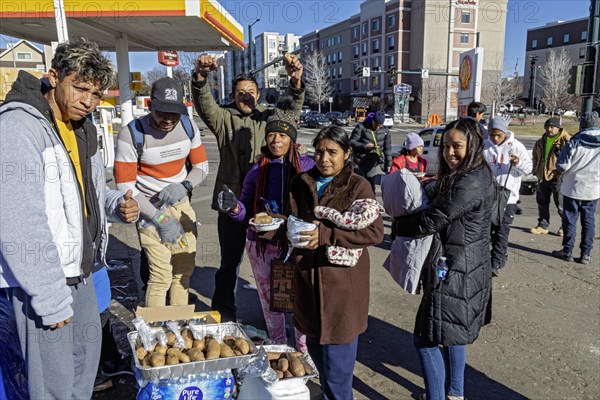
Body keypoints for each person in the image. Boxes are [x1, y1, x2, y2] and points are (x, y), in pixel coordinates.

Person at [0, 38, 139, 400]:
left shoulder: (81, 127)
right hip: (44, 281)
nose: (88, 101)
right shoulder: (19, 128)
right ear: (53, 77)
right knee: (53, 385)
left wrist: (113, 205)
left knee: (83, 372)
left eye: (96, 94)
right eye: (79, 88)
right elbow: (17, 218)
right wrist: (48, 297)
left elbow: (84, 194)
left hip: (83, 274)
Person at [192, 53, 305, 322]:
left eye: (251, 92)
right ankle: (223, 315)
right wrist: (200, 77)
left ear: (258, 93)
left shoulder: (268, 118)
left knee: (273, 261)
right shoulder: (223, 118)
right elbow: (204, 104)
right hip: (231, 205)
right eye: (240, 92)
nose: (246, 96)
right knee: (229, 263)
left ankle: (276, 318)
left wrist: (295, 80)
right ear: (233, 95)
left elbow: (290, 113)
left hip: (264, 205)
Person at [392, 118, 495, 400]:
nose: (449, 152)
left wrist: (398, 227)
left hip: (454, 270)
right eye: (445, 146)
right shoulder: (474, 173)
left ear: (473, 145)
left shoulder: (470, 182)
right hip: (466, 266)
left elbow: (434, 219)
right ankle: (455, 393)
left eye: (457, 146)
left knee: (424, 341)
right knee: (452, 335)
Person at [285, 126, 384, 399]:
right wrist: (270, 228)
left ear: (347, 153)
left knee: (339, 376)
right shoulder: (301, 182)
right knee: (320, 361)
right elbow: (292, 222)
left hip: (342, 291)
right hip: (308, 282)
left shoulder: (357, 185)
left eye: (332, 152)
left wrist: (326, 234)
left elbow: (374, 232)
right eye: (319, 152)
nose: (324, 158)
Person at [218, 98, 314, 351]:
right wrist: (232, 207)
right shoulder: (256, 169)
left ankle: (304, 349)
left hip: (295, 245)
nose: (276, 140)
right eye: (271, 134)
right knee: (270, 300)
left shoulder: (307, 167)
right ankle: (278, 346)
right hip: (261, 244)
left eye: (282, 135)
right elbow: (244, 212)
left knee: (300, 299)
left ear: (292, 139)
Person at [115, 77, 209, 307]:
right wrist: (160, 219)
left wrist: (184, 186)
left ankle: (178, 330)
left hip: (181, 204)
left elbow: (201, 167)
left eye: (174, 113)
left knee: (183, 273)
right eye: (162, 112)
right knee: (161, 276)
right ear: (150, 106)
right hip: (149, 211)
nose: (168, 119)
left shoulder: (188, 126)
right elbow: (125, 187)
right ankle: (156, 334)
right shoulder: (131, 135)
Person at [483, 116, 532, 276]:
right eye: (492, 135)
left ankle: (495, 262)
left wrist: (518, 163)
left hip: (508, 197)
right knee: (489, 230)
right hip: (488, 195)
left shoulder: (517, 146)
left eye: (499, 135)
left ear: (505, 132)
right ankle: (499, 255)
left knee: (502, 230)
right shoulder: (485, 147)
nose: (495, 139)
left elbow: (528, 169)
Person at [552, 111, 600, 264]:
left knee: (570, 220)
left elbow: (562, 166)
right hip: (593, 188)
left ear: (583, 123)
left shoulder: (576, 140)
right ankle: (586, 253)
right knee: (589, 221)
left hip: (572, 187)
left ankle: (567, 250)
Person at [530, 117, 571, 236]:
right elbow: (535, 157)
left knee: (561, 204)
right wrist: (535, 170)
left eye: (552, 127)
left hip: (558, 177)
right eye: (547, 127)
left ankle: (565, 226)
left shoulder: (566, 140)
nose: (549, 129)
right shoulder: (540, 141)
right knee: (542, 202)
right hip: (542, 176)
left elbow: (572, 158)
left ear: (558, 128)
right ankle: (543, 225)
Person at [350, 109, 392, 192]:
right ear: (372, 120)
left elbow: (387, 149)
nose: (377, 127)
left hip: (372, 163)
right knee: (357, 187)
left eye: (380, 125)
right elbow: (351, 142)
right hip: (359, 163)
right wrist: (365, 146)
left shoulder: (386, 131)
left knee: (371, 187)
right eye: (376, 124)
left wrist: (389, 165)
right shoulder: (361, 127)